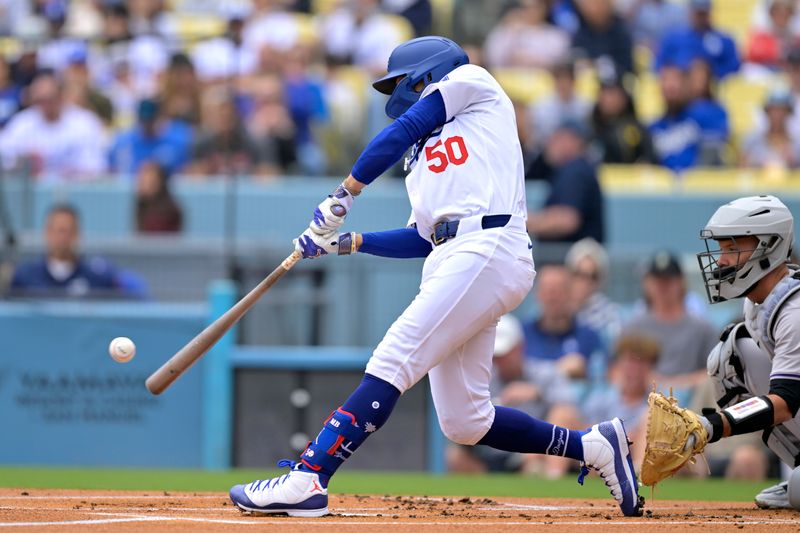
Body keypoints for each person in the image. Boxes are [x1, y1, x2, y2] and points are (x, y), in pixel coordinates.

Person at [229, 35, 643, 518]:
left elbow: (406, 125)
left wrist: (343, 195)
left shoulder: (471, 82)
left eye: (399, 83)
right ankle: (593, 446)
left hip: (489, 245)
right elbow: (423, 237)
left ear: (425, 73)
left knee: (395, 355)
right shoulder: (422, 161)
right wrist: (347, 241)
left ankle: (309, 476)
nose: (395, 94)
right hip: (453, 256)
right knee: (465, 422)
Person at [681, 195, 800, 508]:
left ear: (769, 247)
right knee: (730, 356)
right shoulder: (759, 303)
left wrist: (712, 425)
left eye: (732, 248)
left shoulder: (794, 311)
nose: (721, 260)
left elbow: (785, 403)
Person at [621, 250, 719, 395]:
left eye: (668, 280)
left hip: (689, 402)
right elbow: (615, 370)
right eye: (657, 280)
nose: (662, 286)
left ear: (681, 282)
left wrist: (679, 384)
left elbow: (715, 373)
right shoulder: (635, 326)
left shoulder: (702, 328)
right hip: (643, 399)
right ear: (647, 283)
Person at [11, 204, 141, 298]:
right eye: (58, 231)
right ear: (47, 233)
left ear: (78, 234)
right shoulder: (25, 277)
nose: (63, 237)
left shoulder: (97, 278)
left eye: (69, 231)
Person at [0, 71, 107, 181]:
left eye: (50, 99)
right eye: (40, 100)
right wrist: (24, 161)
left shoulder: (85, 122)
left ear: (61, 96)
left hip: (75, 190)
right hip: (32, 192)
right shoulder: (22, 123)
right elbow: (6, 157)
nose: (45, 105)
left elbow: (95, 166)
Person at [522, 264, 606, 383]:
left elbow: (601, 381)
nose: (552, 298)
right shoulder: (522, 335)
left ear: (570, 294)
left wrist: (584, 371)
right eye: (548, 291)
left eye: (558, 291)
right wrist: (560, 369)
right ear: (537, 295)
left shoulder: (589, 337)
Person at [527, 120, 605, 246]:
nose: (550, 143)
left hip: (573, 260)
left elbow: (567, 219)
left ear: (574, 141)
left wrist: (523, 223)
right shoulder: (572, 169)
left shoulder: (575, 170)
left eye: (557, 138)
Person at [655, 0, 740, 80]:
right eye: (697, 14)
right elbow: (659, 66)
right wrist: (682, 73)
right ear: (690, 12)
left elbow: (734, 69)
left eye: (703, 14)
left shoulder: (724, 41)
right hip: (679, 90)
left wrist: (707, 72)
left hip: (713, 90)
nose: (700, 18)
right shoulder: (672, 39)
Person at [565, 237, 623, 344]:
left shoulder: (609, 314)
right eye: (579, 273)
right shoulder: (556, 305)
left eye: (593, 276)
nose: (585, 282)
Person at [741, 87, 800, 169]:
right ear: (767, 112)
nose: (777, 116)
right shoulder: (752, 141)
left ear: (789, 114)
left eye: (782, 111)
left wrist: (794, 163)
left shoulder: (797, 144)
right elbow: (741, 170)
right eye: (773, 111)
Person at [135, 161, 182, 234]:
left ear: (159, 182)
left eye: (149, 182)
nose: (142, 185)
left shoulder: (167, 212)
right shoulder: (142, 206)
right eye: (141, 181)